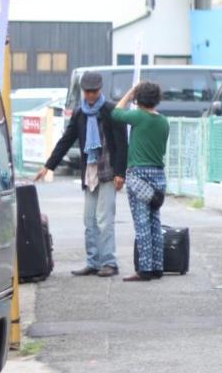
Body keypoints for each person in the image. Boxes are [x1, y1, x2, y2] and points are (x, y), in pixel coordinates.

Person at [35, 71, 128, 278]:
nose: (90, 96)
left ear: (100, 90)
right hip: (90, 172)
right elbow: (66, 140)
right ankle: (93, 262)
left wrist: (120, 173)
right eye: (87, 92)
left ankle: (109, 263)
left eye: (94, 92)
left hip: (109, 171)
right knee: (89, 220)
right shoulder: (80, 113)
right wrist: (48, 166)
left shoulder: (113, 111)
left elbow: (123, 144)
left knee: (104, 220)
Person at [111, 80, 171, 282]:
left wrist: (129, 93)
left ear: (139, 99)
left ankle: (144, 269)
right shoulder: (163, 121)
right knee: (155, 222)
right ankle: (157, 267)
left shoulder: (138, 116)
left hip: (139, 176)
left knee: (142, 223)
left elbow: (116, 113)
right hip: (159, 177)